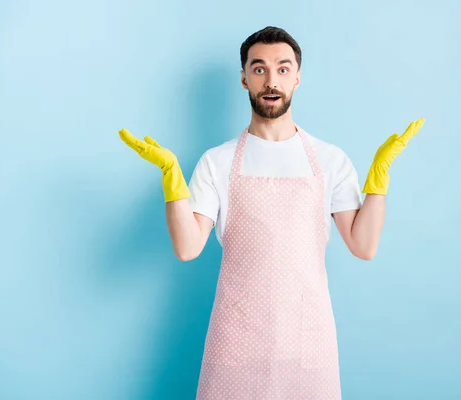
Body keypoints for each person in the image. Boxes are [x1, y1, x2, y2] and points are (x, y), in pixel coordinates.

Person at [119, 26, 424, 400]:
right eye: (259, 68)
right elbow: (187, 248)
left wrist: (378, 179)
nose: (271, 79)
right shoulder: (218, 161)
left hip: (307, 337)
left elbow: (363, 245)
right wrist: (171, 179)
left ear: (298, 78)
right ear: (244, 79)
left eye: (282, 68)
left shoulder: (329, 160)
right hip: (237, 337)